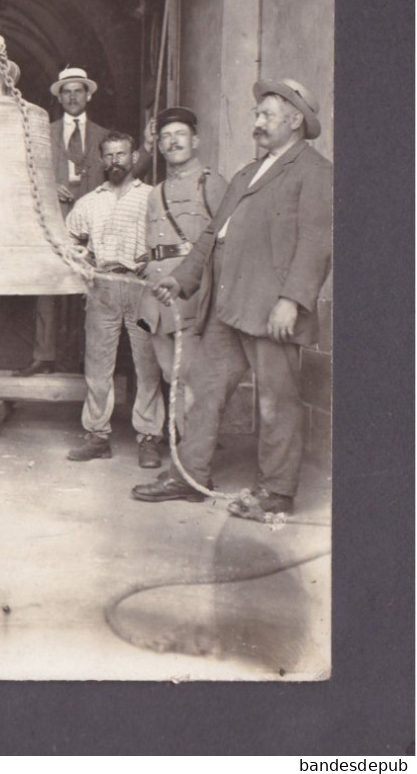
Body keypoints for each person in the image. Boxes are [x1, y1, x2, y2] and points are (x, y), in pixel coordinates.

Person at [131, 79, 332, 520]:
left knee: (275, 400)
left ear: (294, 120)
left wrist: (292, 300)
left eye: (266, 115)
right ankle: (190, 476)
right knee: (203, 387)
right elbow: (211, 234)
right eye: (257, 114)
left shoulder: (314, 171)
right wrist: (181, 280)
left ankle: (277, 492)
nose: (256, 122)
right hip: (227, 306)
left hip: (270, 308)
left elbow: (317, 242)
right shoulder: (247, 173)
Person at [64, 131, 163, 466]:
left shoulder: (152, 197)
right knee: (98, 365)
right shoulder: (90, 201)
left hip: (140, 285)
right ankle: (97, 434)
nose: (115, 161)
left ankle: (149, 436)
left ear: (134, 157)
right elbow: (67, 239)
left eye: (122, 154)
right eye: (109, 155)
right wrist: (83, 260)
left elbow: (167, 238)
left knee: (147, 364)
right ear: (101, 161)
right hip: (103, 286)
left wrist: (153, 262)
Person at [135, 107, 228, 444]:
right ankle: (183, 456)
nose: (172, 142)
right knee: (170, 377)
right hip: (157, 302)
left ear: (196, 140)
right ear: (158, 146)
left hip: (192, 299)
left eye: (180, 135)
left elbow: (226, 242)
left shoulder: (211, 184)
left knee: (193, 380)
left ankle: (192, 464)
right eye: (165, 137)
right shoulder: (155, 192)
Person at [14, 67, 109, 376]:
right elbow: (25, 173)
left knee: (91, 291)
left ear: (88, 95)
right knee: (48, 290)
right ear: (59, 97)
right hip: (55, 222)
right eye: (66, 91)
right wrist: (47, 185)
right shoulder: (43, 132)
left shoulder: (103, 137)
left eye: (78, 90)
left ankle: (86, 359)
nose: (72, 96)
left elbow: (121, 176)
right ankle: (44, 355)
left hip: (93, 226)